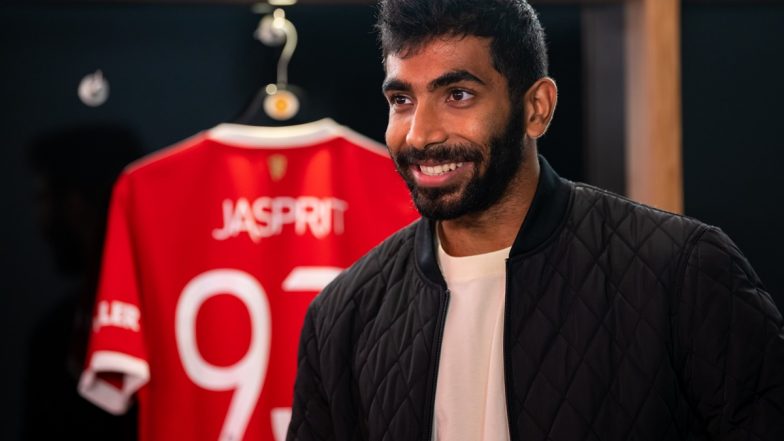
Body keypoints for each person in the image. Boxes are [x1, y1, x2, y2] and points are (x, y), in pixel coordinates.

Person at [287, 0, 784, 440]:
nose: (421, 135)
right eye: (402, 101)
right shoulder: (343, 315)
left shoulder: (682, 271)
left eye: (457, 94)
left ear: (536, 108)